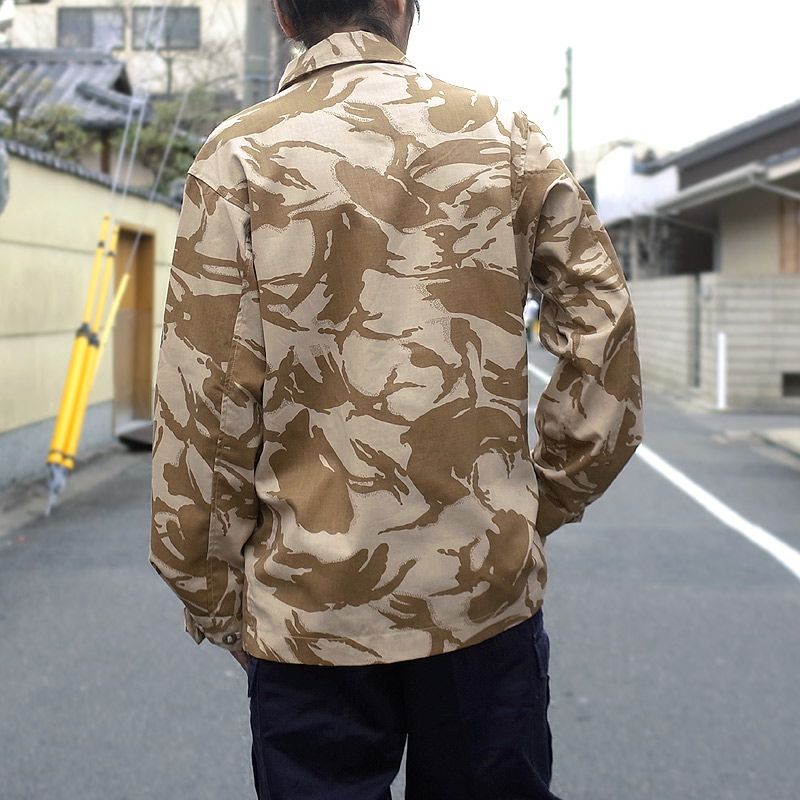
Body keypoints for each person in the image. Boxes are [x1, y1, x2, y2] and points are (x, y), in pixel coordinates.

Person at [149, 1, 645, 797]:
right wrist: (537, 504)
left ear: (282, 16)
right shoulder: (506, 138)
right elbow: (603, 334)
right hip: (483, 594)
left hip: (308, 610)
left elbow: (203, 399)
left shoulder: (238, 156)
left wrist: (215, 594)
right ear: (404, 6)